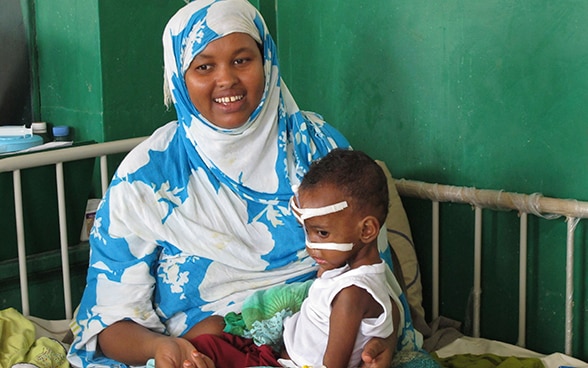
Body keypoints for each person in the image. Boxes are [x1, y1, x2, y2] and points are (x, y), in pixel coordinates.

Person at [66, 1, 421, 367]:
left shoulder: (318, 149)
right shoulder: (146, 177)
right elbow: (109, 325)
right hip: (207, 354)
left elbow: (374, 273)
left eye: (242, 60)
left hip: (328, 346)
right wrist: (160, 349)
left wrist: (383, 342)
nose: (227, 80)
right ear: (179, 77)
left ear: (266, 61)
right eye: (204, 66)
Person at [187, 148, 407, 368]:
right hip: (275, 355)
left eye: (322, 233)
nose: (311, 247)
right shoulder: (347, 270)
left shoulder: (352, 294)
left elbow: (333, 364)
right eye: (307, 232)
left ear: (367, 230)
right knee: (207, 343)